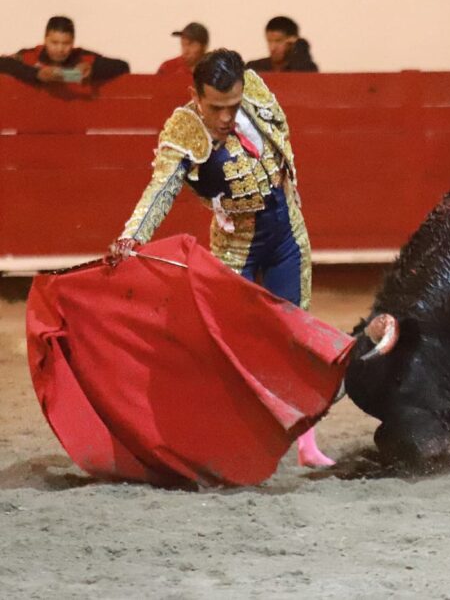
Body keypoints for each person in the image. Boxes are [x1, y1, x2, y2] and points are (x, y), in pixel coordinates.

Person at [106, 49, 333, 467]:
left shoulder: (254, 90)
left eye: (233, 105)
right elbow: (161, 189)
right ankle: (225, 437)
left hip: (286, 231)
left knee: (296, 335)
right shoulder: (184, 129)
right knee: (228, 347)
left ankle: (307, 445)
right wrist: (131, 237)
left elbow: (281, 148)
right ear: (195, 96)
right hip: (237, 245)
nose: (227, 116)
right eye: (216, 107)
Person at [1, 16, 129, 85]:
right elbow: (3, 62)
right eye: (55, 42)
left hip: (74, 125)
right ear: (45, 40)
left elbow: (122, 66)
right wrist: (36, 74)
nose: (60, 49)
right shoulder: (31, 56)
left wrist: (92, 70)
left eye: (66, 43)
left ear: (73, 42)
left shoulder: (82, 57)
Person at [245, 16, 318, 73]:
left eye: (278, 41)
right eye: (269, 41)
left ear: (291, 42)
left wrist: (300, 44)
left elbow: (306, 78)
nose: (272, 48)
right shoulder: (255, 68)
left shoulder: (303, 67)